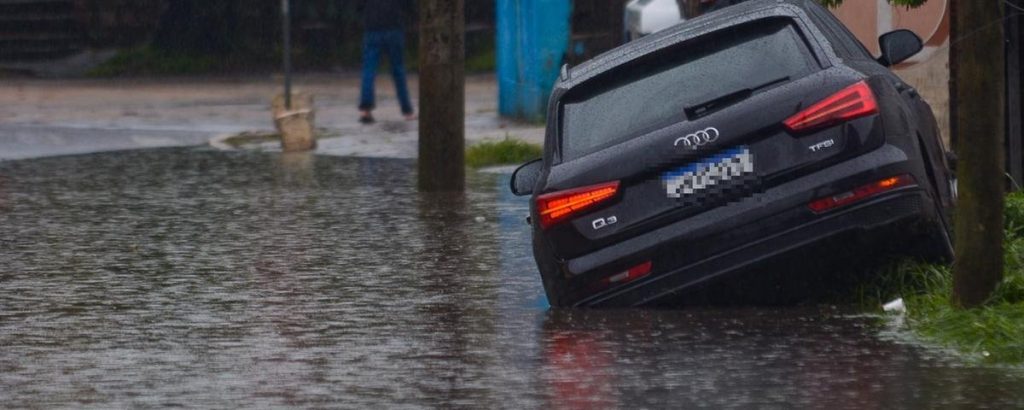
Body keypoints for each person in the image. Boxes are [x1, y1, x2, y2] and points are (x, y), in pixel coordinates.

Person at [357, 0, 416, 124]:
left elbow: (359, 5)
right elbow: (409, 5)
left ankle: (365, 109)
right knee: (398, 70)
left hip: (372, 27)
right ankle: (407, 111)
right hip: (394, 27)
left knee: (369, 70)